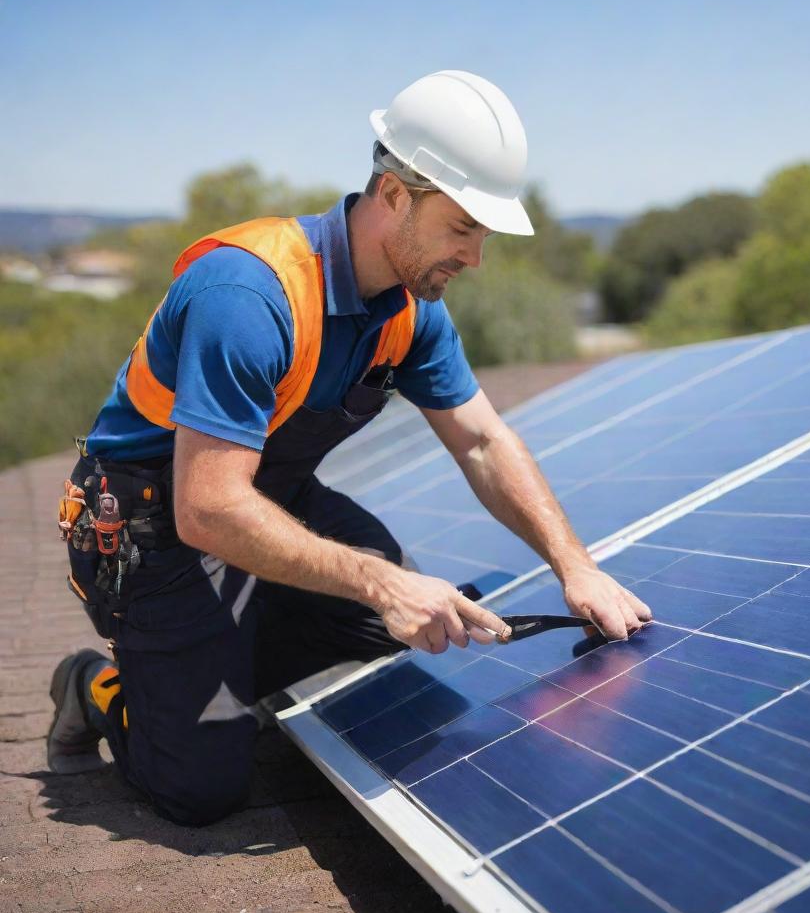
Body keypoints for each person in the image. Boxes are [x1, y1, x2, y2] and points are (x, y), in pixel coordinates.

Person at [48, 70, 652, 827]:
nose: (474, 257)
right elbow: (207, 510)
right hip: (157, 520)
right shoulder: (249, 295)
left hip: (268, 497)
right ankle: (109, 687)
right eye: (462, 227)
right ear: (395, 194)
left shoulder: (410, 308)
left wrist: (576, 567)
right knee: (201, 792)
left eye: (483, 235)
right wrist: (383, 584)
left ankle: (206, 669)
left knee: (402, 622)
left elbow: (483, 443)